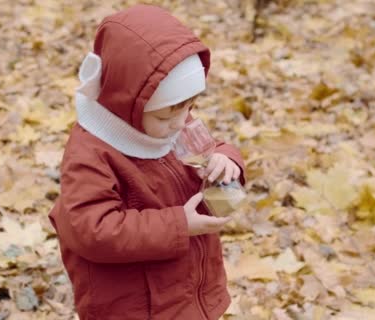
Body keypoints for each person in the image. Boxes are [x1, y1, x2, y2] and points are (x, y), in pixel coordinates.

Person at [48, 4, 246, 319]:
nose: (182, 122)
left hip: (189, 288)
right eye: (169, 112)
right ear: (131, 103)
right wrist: (178, 225)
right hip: (135, 304)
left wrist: (226, 159)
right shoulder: (92, 153)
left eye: (190, 106)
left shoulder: (171, 122)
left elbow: (208, 151)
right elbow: (91, 229)